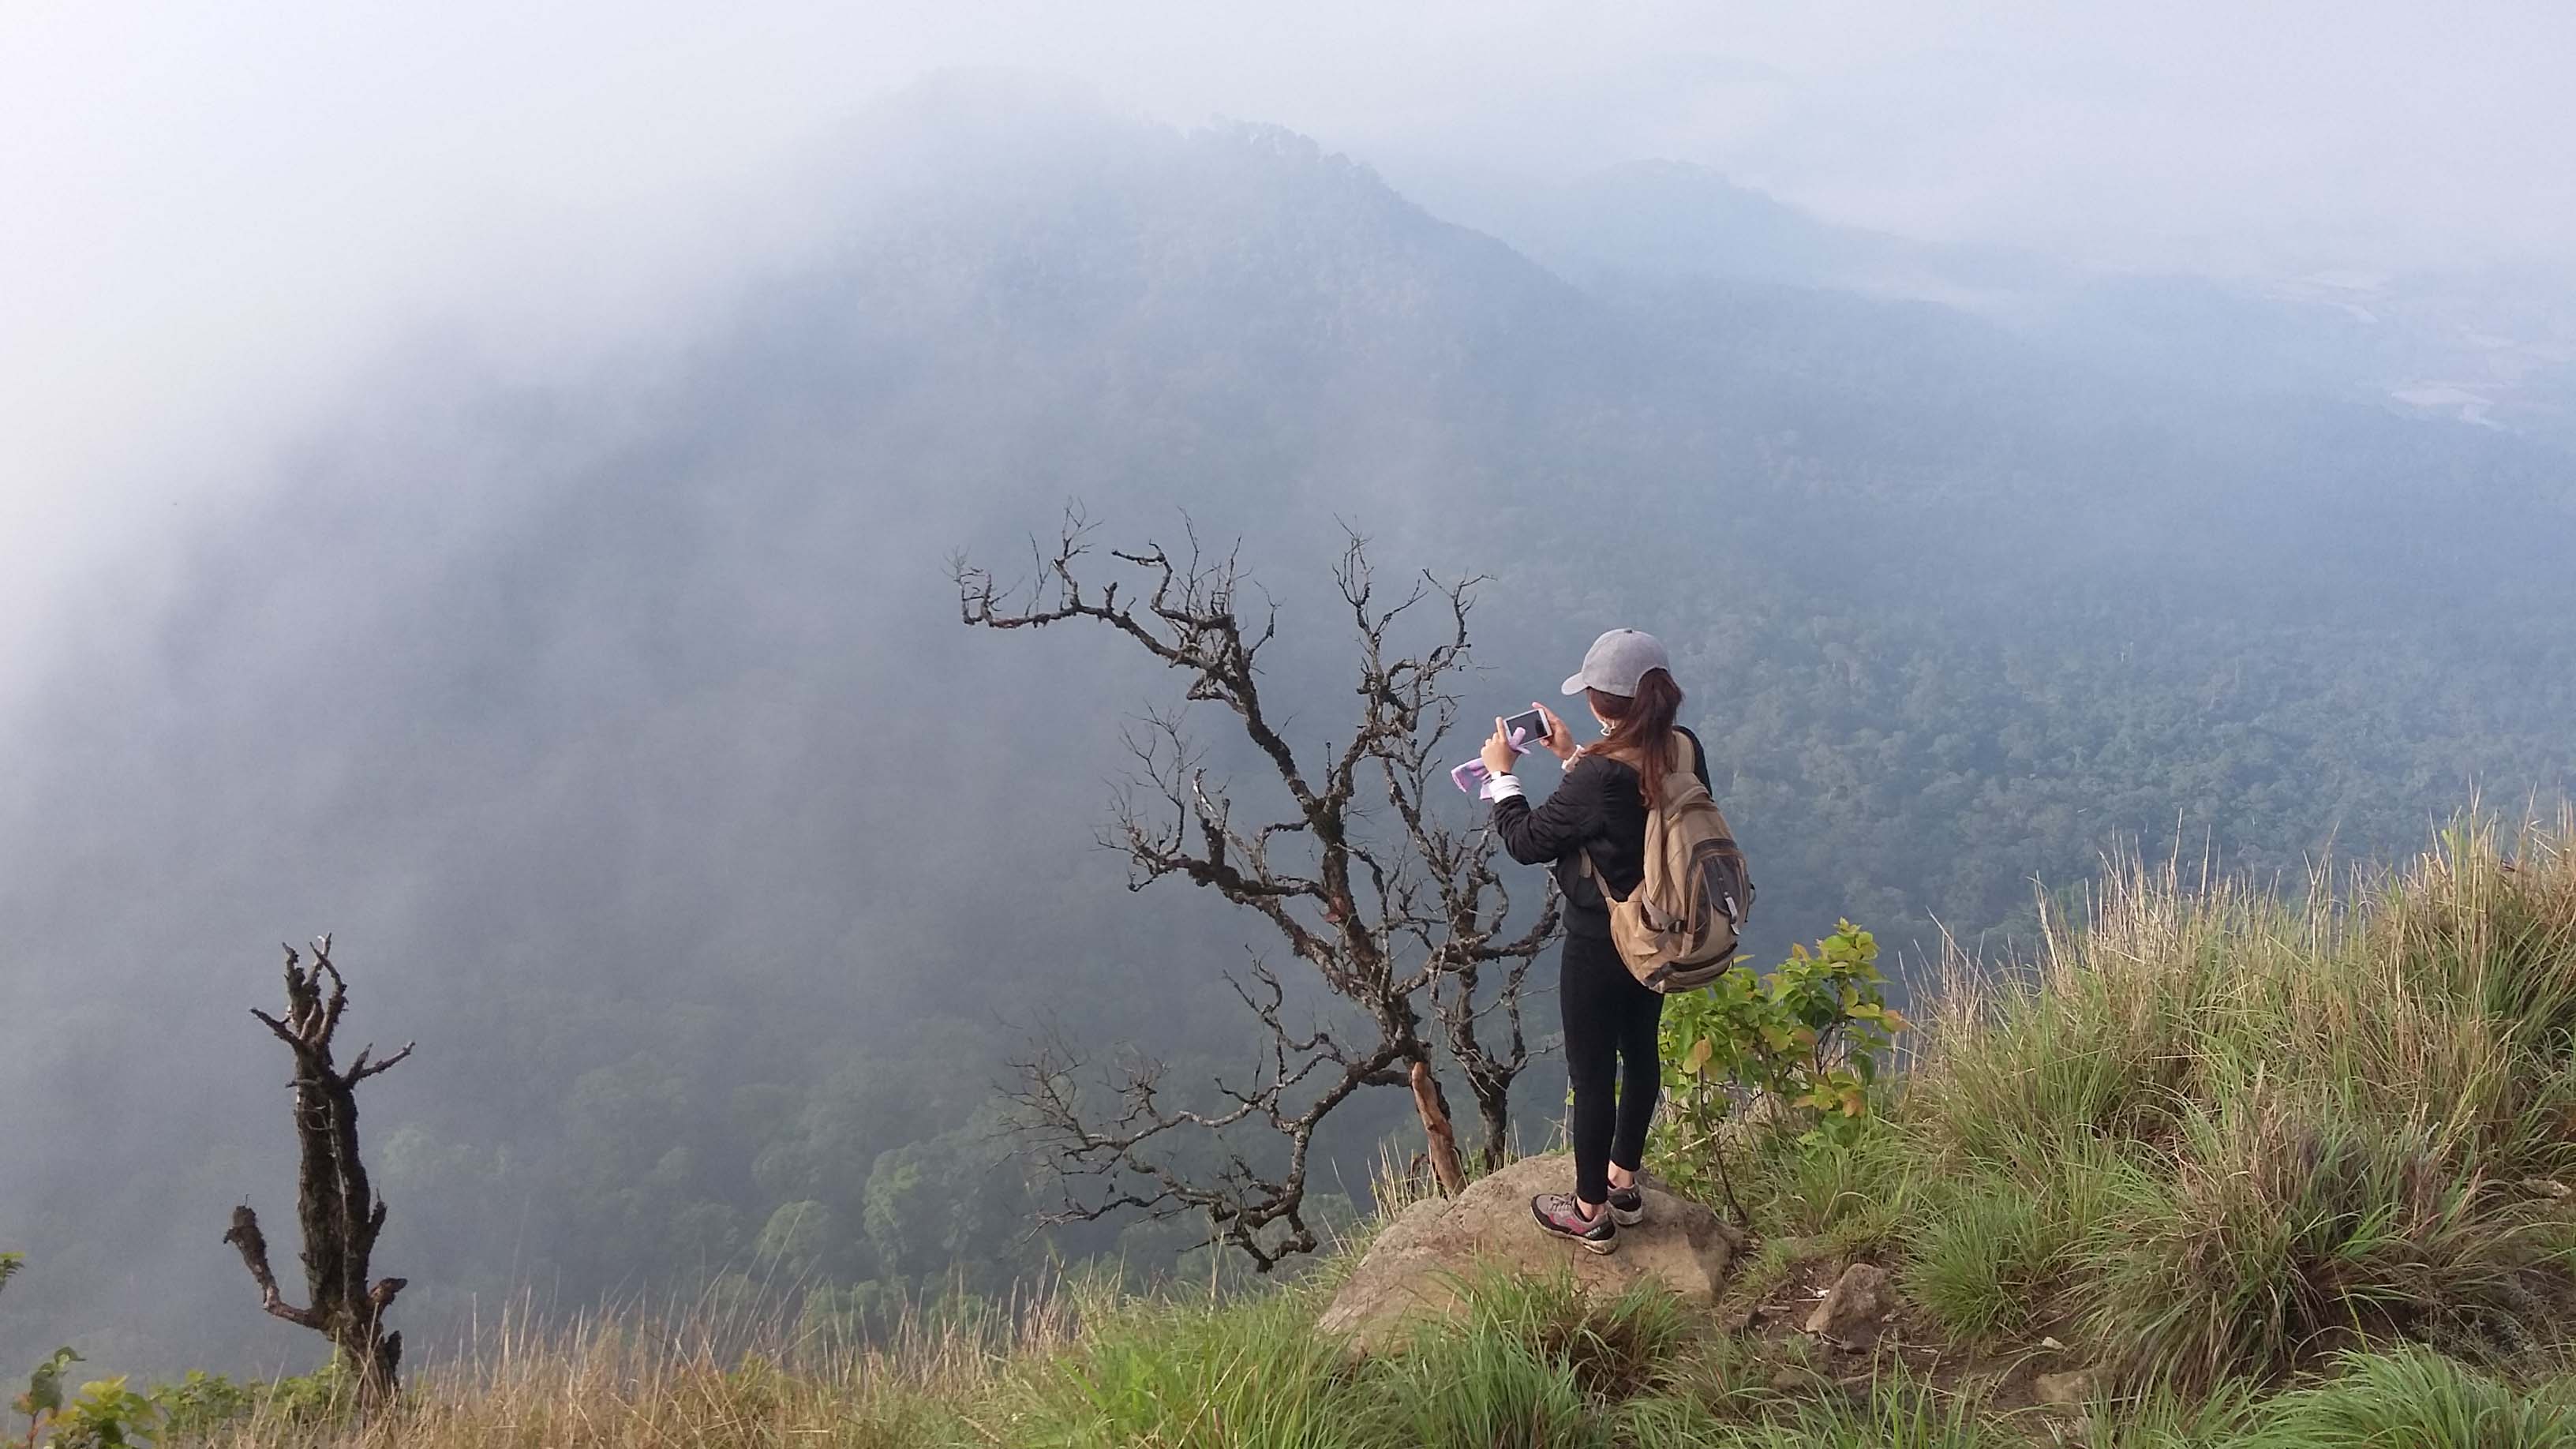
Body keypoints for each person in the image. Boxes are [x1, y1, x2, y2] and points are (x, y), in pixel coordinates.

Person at [1478, 628, 1709, 1253]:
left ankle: (1588, 1212)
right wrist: (1572, 755)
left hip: (1600, 940)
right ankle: (1624, 1185)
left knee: (1591, 1074)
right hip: (1660, 931)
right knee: (1640, 1054)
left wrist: (1503, 778)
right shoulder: (1681, 746)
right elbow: (1629, 807)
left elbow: (1527, 841)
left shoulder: (1601, 775)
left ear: (1603, 702)